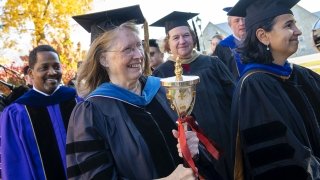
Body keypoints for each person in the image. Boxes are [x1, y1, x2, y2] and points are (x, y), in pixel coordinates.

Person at [68, 6, 218, 179]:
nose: (139, 55)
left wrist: (194, 150)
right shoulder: (92, 113)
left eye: (139, 46)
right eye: (127, 49)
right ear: (103, 59)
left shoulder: (162, 90)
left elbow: (195, 153)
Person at [228, 0, 320, 179]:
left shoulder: (302, 75)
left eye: (295, 23)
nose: (298, 31)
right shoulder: (254, 87)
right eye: (288, 25)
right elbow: (280, 161)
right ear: (263, 36)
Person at [151, 11, 235, 180]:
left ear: (193, 38)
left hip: (225, 140)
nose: (182, 41)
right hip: (188, 147)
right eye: (175, 38)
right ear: (168, 43)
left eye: (186, 35)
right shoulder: (161, 75)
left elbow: (234, 97)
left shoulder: (213, 63)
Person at [0, 45, 81, 180]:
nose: (52, 72)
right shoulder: (17, 113)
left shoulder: (78, 101)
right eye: (44, 67)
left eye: (56, 66)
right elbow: (15, 164)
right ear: (31, 74)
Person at [213, 7, 246, 80]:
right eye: (237, 20)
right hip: (237, 89)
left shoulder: (257, 41)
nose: (242, 23)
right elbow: (220, 75)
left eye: (244, 19)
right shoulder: (222, 47)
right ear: (230, 25)